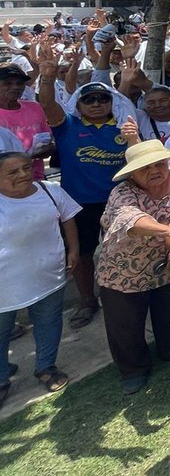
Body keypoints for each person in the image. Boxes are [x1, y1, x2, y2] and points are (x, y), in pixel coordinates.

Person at [37, 40, 128, 331]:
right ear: (78, 105)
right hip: (79, 203)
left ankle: (122, 295)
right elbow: (48, 104)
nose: (97, 104)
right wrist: (49, 77)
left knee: (120, 251)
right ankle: (87, 300)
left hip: (117, 202)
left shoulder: (123, 128)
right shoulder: (68, 127)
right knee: (83, 254)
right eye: (89, 100)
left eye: (103, 99)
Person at [96, 139, 170, 395]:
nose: (155, 171)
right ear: (132, 172)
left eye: (160, 164)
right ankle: (133, 369)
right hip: (124, 271)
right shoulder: (123, 193)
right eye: (145, 168)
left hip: (167, 263)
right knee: (126, 323)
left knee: (169, 311)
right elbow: (133, 220)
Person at [0, 150, 79, 404]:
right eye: (12, 172)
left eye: (25, 167)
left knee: (48, 321)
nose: (23, 174)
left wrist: (74, 249)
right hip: (5, 283)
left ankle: (46, 367)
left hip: (48, 273)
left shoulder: (49, 191)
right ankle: (1, 377)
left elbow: (67, 218)